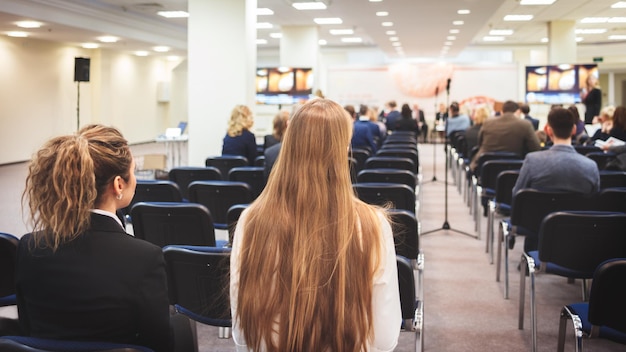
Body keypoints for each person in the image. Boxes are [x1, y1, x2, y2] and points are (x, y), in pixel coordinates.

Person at [230, 98, 401, 352]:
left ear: (288, 144)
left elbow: (243, 333)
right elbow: (385, 338)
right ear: (343, 149)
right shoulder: (373, 225)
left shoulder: (251, 220)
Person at [16, 125, 188, 352]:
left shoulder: (30, 247)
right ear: (118, 184)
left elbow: (28, 330)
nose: (134, 179)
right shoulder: (144, 258)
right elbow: (158, 344)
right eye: (133, 172)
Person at [512, 107, 600, 252]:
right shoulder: (590, 166)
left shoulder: (533, 161)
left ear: (548, 130)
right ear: (573, 130)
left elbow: (517, 195)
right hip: (577, 232)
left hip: (536, 230)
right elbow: (594, 201)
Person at [470, 100, 540, 171]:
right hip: (514, 170)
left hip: (485, 169)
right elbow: (536, 148)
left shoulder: (487, 122)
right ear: (518, 112)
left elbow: (480, 143)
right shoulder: (526, 125)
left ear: (501, 112)